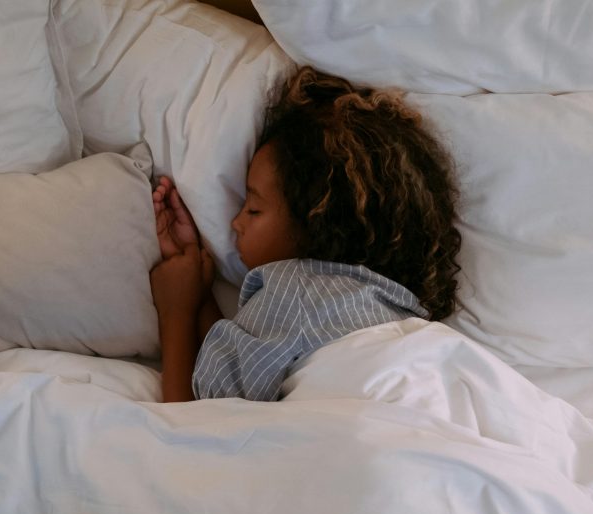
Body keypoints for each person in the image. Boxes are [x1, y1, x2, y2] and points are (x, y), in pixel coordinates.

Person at [150, 65, 462, 402]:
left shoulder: (293, 291)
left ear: (315, 227)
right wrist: (200, 292)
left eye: (254, 209)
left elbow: (202, 427)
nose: (236, 223)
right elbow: (247, 371)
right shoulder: (398, 310)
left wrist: (176, 311)